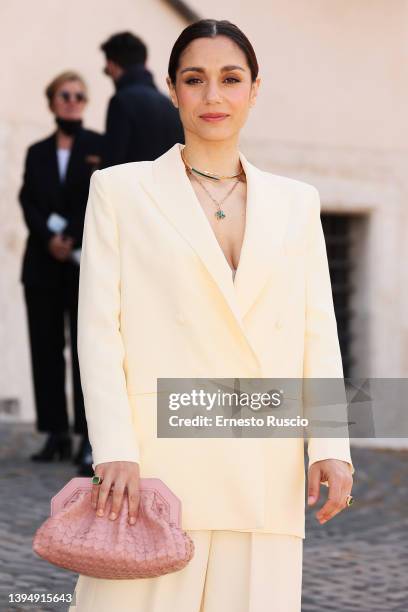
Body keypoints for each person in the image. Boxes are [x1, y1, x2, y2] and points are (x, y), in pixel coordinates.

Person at [70, 19, 355, 612]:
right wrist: (114, 448)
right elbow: (99, 330)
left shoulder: (296, 203)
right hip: (154, 465)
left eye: (231, 79)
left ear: (255, 88)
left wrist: (332, 441)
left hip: (264, 461)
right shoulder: (120, 191)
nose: (213, 96)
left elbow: (316, 329)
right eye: (195, 80)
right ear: (173, 90)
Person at [19, 71, 103, 476]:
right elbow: (28, 199)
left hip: (81, 264)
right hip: (41, 264)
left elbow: (96, 198)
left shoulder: (98, 147)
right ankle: (55, 433)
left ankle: (88, 435)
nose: (71, 101)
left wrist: (69, 234)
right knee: (46, 350)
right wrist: (47, 236)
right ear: (52, 101)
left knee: (85, 351)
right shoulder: (36, 152)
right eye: (64, 95)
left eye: (78, 96)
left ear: (85, 103)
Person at [100, 31, 184, 167]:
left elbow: (112, 164)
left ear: (111, 65)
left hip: (131, 186)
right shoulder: (171, 104)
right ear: (145, 62)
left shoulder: (121, 102)